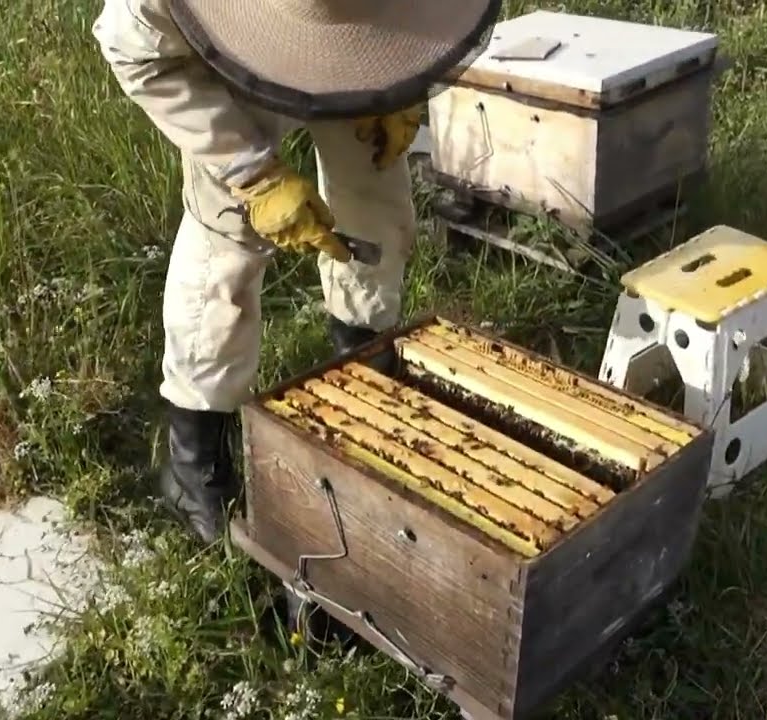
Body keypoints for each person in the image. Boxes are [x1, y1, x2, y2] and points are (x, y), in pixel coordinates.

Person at [92, 0, 501, 543]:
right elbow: (137, 55)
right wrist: (253, 173)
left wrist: (397, 84)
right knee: (228, 237)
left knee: (376, 188)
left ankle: (361, 373)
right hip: (226, 49)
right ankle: (194, 459)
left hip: (368, 23)